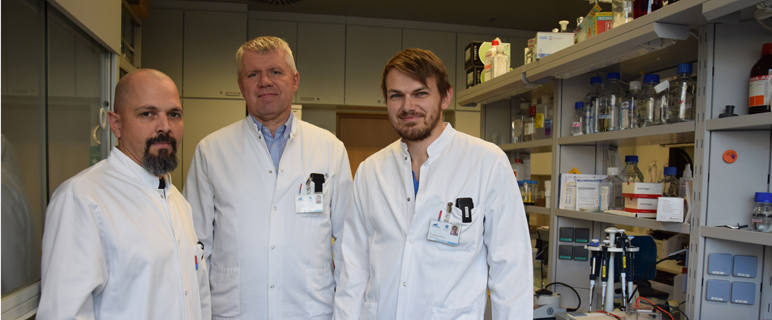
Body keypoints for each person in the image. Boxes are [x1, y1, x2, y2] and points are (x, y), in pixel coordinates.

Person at [333, 48, 533, 319]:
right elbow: (353, 267)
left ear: (445, 97)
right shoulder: (371, 170)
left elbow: (511, 270)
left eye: (420, 93)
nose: (407, 106)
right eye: (396, 96)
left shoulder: (487, 162)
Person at [184, 36, 353, 319]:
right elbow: (196, 245)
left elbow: (349, 240)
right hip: (236, 308)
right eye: (253, 74)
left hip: (309, 308)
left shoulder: (329, 148)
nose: (265, 81)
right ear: (241, 85)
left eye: (275, 72)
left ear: (295, 80)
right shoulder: (211, 150)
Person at [38, 69, 211, 320]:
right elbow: (64, 313)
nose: (165, 127)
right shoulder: (83, 198)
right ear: (116, 124)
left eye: (174, 114)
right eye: (147, 114)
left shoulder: (177, 201)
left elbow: (197, 297)